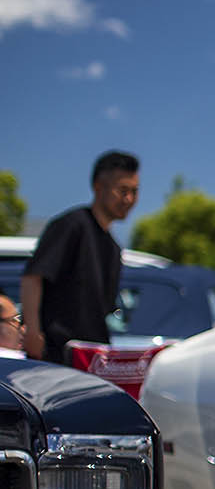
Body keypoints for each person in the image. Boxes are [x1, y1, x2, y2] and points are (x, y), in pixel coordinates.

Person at [23, 149, 138, 364]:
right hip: (56, 355)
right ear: (98, 187)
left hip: (92, 358)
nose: (129, 199)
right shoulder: (71, 226)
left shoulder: (113, 247)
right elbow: (33, 277)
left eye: (134, 191)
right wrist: (33, 332)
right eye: (122, 190)